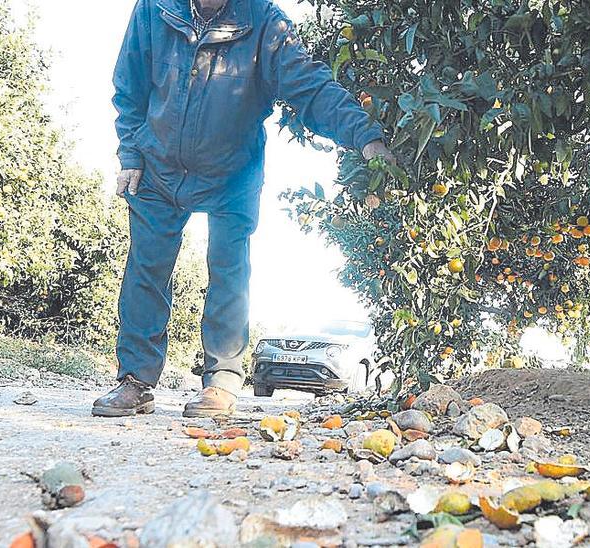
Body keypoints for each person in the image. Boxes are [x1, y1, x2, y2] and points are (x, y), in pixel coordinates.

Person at [92, 0, 392, 418]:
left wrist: (365, 135)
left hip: (232, 172)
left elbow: (310, 87)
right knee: (147, 267)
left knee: (228, 270)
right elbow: (130, 86)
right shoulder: (155, 9)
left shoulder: (265, 23)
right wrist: (131, 154)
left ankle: (221, 382)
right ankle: (135, 381)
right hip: (157, 163)